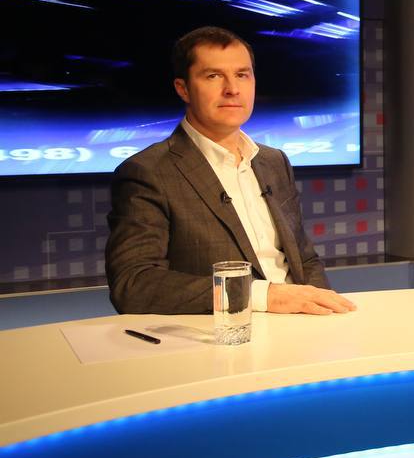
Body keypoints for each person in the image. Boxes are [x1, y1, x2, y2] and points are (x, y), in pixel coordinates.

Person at [107, 26, 357, 316]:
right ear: (183, 88)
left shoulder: (274, 161)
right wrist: (261, 296)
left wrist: (327, 313)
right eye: (213, 76)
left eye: (242, 75)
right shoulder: (148, 172)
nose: (232, 89)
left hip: (299, 325)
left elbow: (305, 260)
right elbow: (134, 284)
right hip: (225, 332)